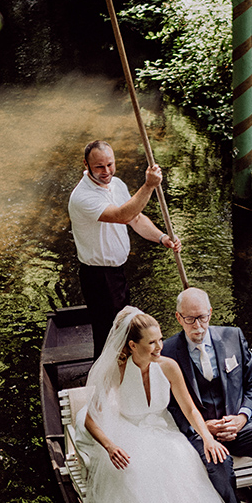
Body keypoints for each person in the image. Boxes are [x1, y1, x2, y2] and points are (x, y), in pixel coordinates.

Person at [74, 307, 252, 503]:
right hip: (126, 432)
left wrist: (208, 439)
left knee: (184, 464)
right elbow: (91, 419)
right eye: (152, 343)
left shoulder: (168, 366)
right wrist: (110, 446)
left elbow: (190, 409)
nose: (160, 347)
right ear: (132, 346)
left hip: (161, 430)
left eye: (160, 340)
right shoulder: (117, 371)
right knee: (136, 474)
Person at [161, 287, 252, 503]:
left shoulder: (233, 337)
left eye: (203, 317)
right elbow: (169, 404)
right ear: (178, 317)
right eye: (190, 319)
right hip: (201, 431)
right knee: (219, 464)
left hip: (238, 424)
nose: (198, 325)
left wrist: (242, 417)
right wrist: (203, 428)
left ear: (210, 313)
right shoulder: (167, 352)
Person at [67, 140, 181, 352]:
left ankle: (124, 371)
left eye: (110, 164)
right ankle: (105, 381)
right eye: (99, 166)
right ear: (86, 164)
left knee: (122, 329)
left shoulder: (117, 184)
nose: (106, 171)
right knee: (110, 335)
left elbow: (135, 218)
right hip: (98, 276)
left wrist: (161, 237)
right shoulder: (83, 196)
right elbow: (122, 215)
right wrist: (148, 186)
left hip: (117, 272)